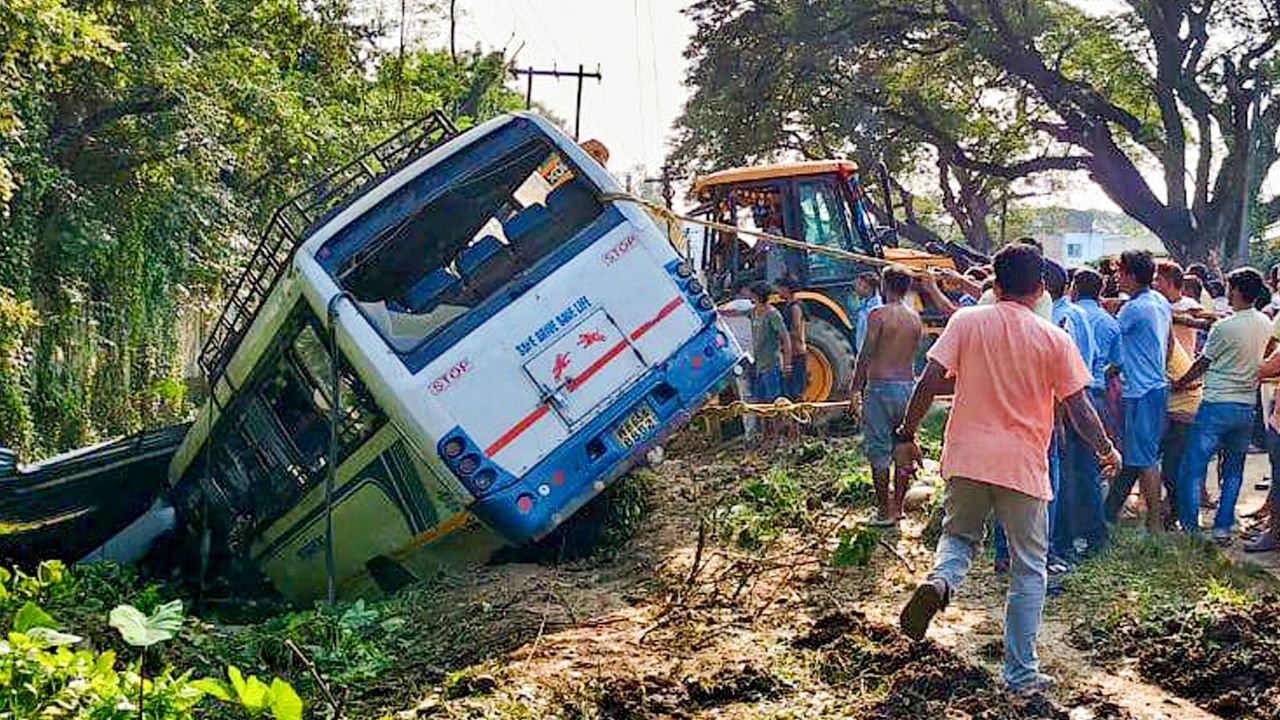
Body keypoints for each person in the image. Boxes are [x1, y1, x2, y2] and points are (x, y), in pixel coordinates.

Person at [892, 243, 1120, 694]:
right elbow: (1079, 407)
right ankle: (1019, 673)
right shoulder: (1054, 338)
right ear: (1040, 290)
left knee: (957, 539)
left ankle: (940, 582)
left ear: (993, 285)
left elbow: (930, 379)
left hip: (967, 457)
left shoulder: (965, 322)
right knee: (1029, 569)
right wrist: (1106, 449)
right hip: (1023, 467)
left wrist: (906, 434)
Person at [1172, 268, 1273, 540]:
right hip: (1245, 405)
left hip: (1216, 403)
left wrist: (1179, 383)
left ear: (1238, 291)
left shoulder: (1224, 327)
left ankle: (1191, 528)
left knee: (1193, 467)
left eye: (1230, 288)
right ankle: (1222, 526)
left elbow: (1202, 364)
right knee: (1233, 469)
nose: (1227, 293)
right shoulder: (1265, 322)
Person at [1103, 250, 1171, 535]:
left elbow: (1112, 345)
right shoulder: (1159, 301)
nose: (1117, 278)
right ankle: (1110, 513)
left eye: (1120, 272)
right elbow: (1168, 344)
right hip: (1156, 386)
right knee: (1136, 455)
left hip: (1140, 391)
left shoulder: (1133, 309)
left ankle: (1154, 525)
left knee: (1144, 459)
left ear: (1131, 275)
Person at [850, 267, 923, 525]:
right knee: (903, 447)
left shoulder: (878, 315)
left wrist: (855, 387)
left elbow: (866, 351)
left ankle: (883, 512)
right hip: (906, 387)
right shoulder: (915, 318)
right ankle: (899, 508)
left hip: (880, 387)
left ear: (885, 285)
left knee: (879, 452)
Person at [1046, 260, 1099, 560]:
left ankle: (1066, 543)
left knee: (1066, 478)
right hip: (1078, 398)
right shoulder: (1074, 312)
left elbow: (1063, 375)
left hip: (1068, 404)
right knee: (1080, 474)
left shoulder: (1061, 317)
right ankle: (1088, 536)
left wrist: (1061, 420)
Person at [777, 277, 808, 400]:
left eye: (780, 288)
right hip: (792, 353)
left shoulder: (795, 307)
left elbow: (796, 330)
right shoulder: (789, 306)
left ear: (786, 289)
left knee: (796, 391)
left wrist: (783, 337)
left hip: (796, 353)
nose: (778, 291)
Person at [852, 271, 882, 354]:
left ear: (868, 287)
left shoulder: (876, 309)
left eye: (859, 284)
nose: (856, 287)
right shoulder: (863, 305)